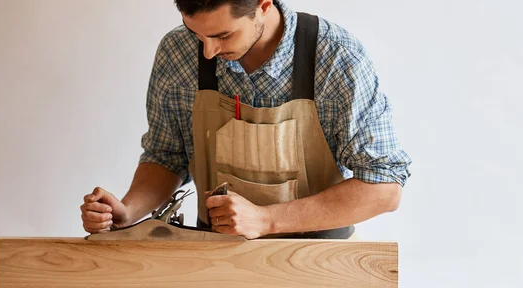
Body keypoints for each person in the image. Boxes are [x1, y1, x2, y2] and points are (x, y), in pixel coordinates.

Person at [80, 0, 412, 240]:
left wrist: (266, 219)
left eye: (223, 36)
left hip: (317, 262)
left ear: (264, 5)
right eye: (197, 34)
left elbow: (384, 187)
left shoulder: (337, 58)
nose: (208, 52)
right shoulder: (177, 51)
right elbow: (167, 156)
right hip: (212, 258)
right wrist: (128, 210)